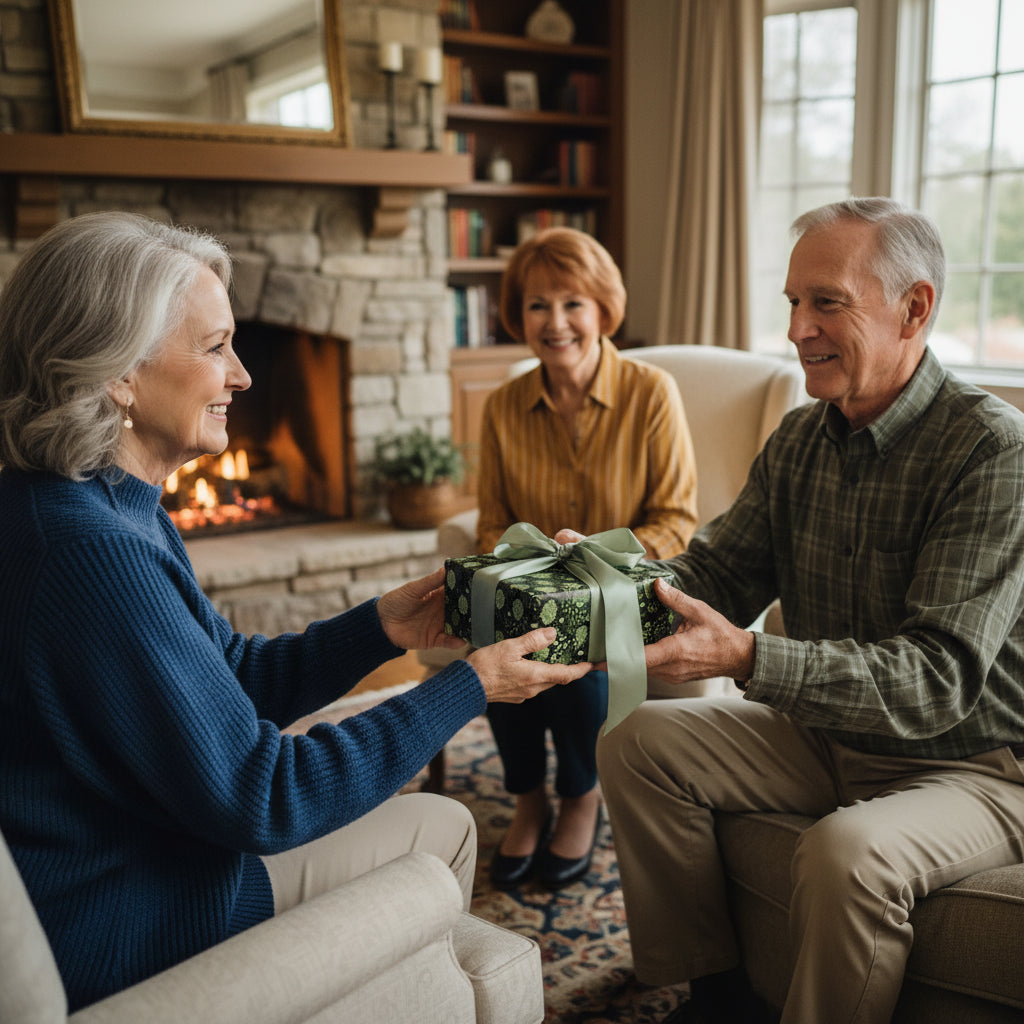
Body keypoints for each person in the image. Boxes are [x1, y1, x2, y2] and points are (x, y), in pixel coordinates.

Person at [0, 211, 593, 1012]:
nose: (243, 375)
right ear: (119, 373)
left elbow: (228, 678)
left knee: (435, 822)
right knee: (443, 827)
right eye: (214, 348)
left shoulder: (96, 504)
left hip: (150, 860)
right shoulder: (90, 552)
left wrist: (382, 624)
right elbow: (263, 795)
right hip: (140, 917)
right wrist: (470, 687)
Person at [592, 197, 1024, 1023]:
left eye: (826, 302)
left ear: (915, 308)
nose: (796, 329)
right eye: (793, 302)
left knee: (844, 853)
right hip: (827, 735)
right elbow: (716, 572)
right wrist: (604, 579)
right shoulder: (799, 439)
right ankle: (714, 993)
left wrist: (749, 661)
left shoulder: (992, 451)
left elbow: (937, 679)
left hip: (973, 765)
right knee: (638, 738)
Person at [477, 227, 699, 890]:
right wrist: (527, 568)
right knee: (496, 632)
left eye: (573, 303)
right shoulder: (501, 407)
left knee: (580, 640)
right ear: (520, 317)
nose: (556, 322)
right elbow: (491, 520)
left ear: (603, 309)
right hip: (532, 581)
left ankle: (580, 797)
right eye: (538, 304)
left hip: (625, 585)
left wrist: (595, 556)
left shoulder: (652, 393)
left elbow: (677, 519)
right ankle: (528, 799)